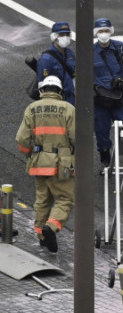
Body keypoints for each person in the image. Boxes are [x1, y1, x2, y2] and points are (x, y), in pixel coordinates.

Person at [16, 75, 76, 254]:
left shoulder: (32, 108)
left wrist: (30, 154)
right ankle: (52, 226)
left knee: (42, 200)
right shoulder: (68, 109)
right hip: (62, 162)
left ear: (42, 90)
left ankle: (42, 235)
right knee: (65, 198)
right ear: (59, 91)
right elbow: (76, 138)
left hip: (39, 160)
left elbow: (21, 139)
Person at [93, 18, 123, 168]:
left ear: (111, 31)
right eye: (100, 31)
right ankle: (105, 160)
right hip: (100, 99)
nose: (103, 34)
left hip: (118, 97)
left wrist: (120, 83)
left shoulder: (120, 47)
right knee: (101, 131)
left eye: (106, 31)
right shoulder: (89, 51)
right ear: (95, 33)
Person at [37, 22, 76, 106]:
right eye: (61, 34)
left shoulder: (70, 53)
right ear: (54, 36)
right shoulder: (46, 59)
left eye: (67, 34)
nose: (65, 37)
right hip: (57, 102)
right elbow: (42, 86)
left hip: (71, 99)